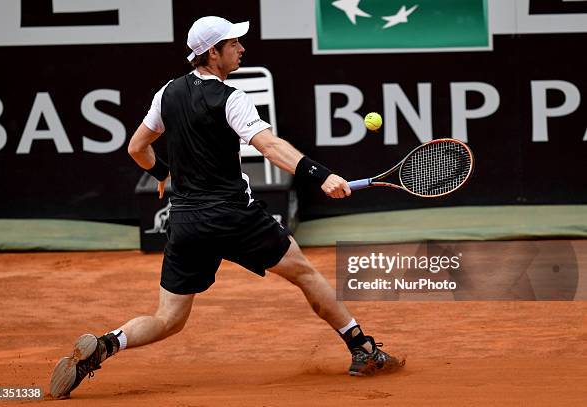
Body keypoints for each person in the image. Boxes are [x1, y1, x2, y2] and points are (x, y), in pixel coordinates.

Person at [49, 16, 404, 399]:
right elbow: (269, 146)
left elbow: (137, 147)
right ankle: (363, 350)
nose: (242, 49)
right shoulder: (231, 98)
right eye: (233, 44)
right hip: (234, 217)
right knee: (304, 272)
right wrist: (321, 175)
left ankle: (104, 346)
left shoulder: (166, 93)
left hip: (184, 222)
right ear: (212, 52)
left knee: (168, 319)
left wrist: (164, 173)